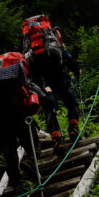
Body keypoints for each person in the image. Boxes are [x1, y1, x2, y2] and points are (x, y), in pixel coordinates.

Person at [21, 17, 82, 153]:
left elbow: (25, 62)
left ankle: (57, 140)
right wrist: (76, 69)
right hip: (59, 73)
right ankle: (73, 128)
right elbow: (65, 54)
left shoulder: (27, 40)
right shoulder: (52, 34)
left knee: (49, 107)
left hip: (40, 78)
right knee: (71, 102)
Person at [0, 52, 40, 192]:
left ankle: (17, 186)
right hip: (18, 114)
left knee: (9, 153)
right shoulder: (14, 73)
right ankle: (29, 162)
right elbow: (26, 93)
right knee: (32, 143)